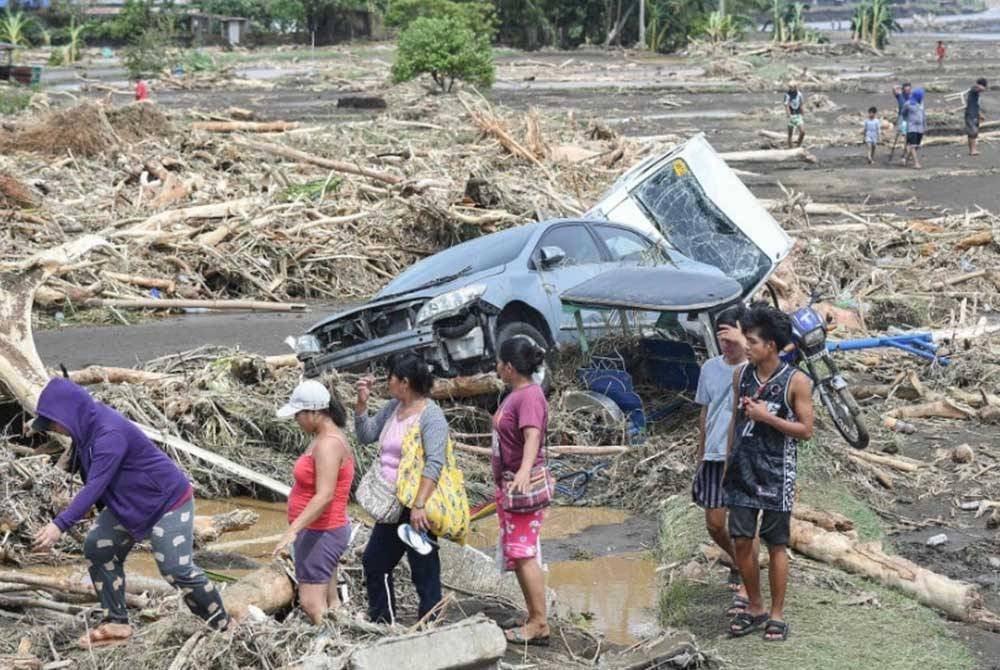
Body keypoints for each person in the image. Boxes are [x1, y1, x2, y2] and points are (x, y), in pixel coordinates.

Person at [30, 378, 228, 648]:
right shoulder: (85, 428)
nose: (55, 429)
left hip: (167, 502)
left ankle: (222, 625)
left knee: (175, 568)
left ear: (68, 414)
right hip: (130, 503)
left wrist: (58, 525)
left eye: (54, 423)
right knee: (99, 546)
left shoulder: (108, 433)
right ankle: (117, 622)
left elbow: (94, 487)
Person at [722, 305, 814, 642]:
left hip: (777, 473)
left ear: (771, 346)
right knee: (743, 540)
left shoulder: (796, 381)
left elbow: (805, 430)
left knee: (776, 543)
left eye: (752, 341)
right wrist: (728, 462)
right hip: (742, 471)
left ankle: (776, 614)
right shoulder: (741, 375)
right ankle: (755, 606)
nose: (746, 346)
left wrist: (768, 418)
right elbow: (736, 420)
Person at [355, 353, 447, 624]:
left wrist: (419, 505)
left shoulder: (431, 416)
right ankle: (383, 620)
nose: (387, 383)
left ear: (404, 382)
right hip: (392, 503)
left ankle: (430, 623)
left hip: (417, 504)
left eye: (390, 378)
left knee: (424, 568)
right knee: (375, 562)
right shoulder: (394, 407)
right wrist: (361, 406)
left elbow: (435, 462)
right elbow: (366, 435)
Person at [274, 379, 354, 624]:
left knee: (311, 602)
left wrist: (291, 531)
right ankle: (342, 639)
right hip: (320, 531)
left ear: (315, 413)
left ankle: (332, 651)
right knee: (331, 602)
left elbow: (325, 495)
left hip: (323, 531)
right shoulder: (323, 437)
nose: (296, 420)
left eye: (299, 414)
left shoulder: (329, 444)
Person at [692, 305, 753, 617]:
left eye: (732, 338)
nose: (726, 345)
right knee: (715, 524)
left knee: (744, 526)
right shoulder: (709, 369)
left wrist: (744, 345)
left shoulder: (755, 369)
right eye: (722, 339)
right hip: (715, 455)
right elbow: (705, 412)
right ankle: (739, 560)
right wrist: (701, 452)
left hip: (744, 458)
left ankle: (746, 581)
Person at [493, 337, 551, 646]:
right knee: (517, 552)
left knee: (524, 553)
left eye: (499, 363)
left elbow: (532, 436)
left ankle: (540, 623)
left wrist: (525, 471)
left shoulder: (528, 396)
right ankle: (533, 615)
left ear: (510, 367)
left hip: (521, 486)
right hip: (510, 484)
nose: (497, 368)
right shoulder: (516, 394)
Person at [901, 88, 926, 169]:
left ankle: (906, 160)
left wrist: (925, 126)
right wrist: (905, 122)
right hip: (912, 127)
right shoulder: (908, 104)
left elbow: (923, 115)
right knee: (912, 145)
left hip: (920, 128)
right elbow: (903, 113)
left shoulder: (921, 104)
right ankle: (916, 163)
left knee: (916, 146)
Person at [963, 78, 988, 156]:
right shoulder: (973, 90)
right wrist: (981, 86)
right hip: (970, 114)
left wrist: (980, 115)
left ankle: (973, 149)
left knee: (974, 133)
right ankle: (972, 150)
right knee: (972, 132)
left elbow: (976, 105)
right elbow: (980, 88)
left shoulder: (976, 94)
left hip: (974, 114)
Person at [783, 81, 805, 148]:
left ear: (796, 87)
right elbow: (786, 105)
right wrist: (789, 115)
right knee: (790, 135)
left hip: (798, 115)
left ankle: (798, 146)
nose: (791, 88)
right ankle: (790, 148)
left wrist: (803, 113)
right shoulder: (787, 95)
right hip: (791, 115)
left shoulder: (799, 94)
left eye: (792, 87)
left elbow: (801, 104)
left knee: (802, 132)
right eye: (790, 87)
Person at [892, 82, 912, 149]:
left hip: (909, 117)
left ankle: (907, 151)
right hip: (902, 117)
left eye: (909, 90)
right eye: (906, 90)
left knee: (908, 134)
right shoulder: (900, 95)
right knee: (904, 134)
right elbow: (894, 88)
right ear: (903, 90)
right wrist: (901, 87)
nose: (908, 91)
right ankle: (905, 150)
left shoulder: (911, 96)